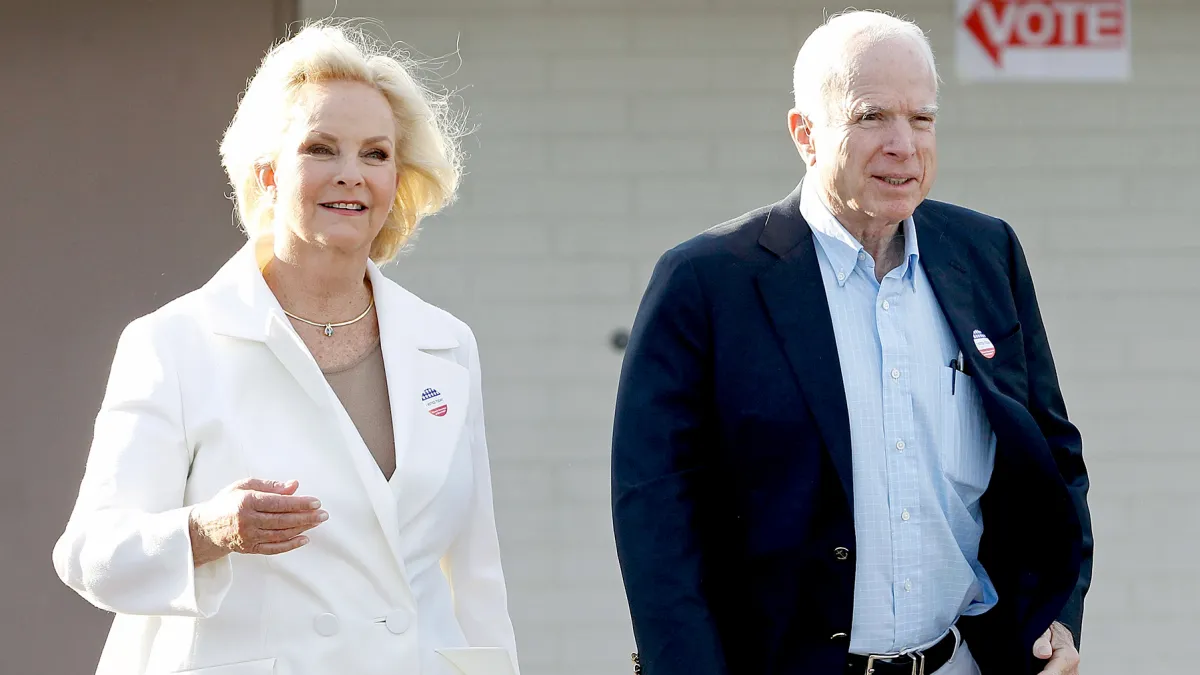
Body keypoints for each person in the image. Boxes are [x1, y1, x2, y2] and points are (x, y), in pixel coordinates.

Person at [611, 10, 1091, 675]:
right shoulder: (706, 282)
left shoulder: (987, 254)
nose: (903, 144)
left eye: (921, 119)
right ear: (805, 133)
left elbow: (1050, 455)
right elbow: (657, 517)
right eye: (871, 118)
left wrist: (1058, 611)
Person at [53, 21, 519, 675]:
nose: (352, 175)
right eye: (322, 149)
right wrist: (208, 530)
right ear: (269, 173)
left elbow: (476, 575)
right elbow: (89, 552)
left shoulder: (446, 344)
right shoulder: (174, 342)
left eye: (376, 154)